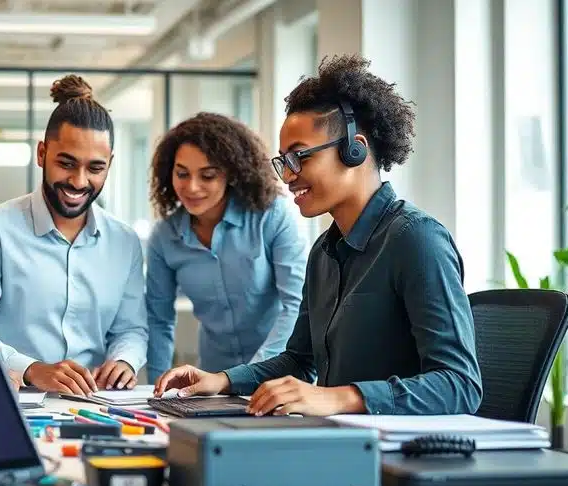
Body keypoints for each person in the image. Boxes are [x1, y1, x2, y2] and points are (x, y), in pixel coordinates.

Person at [153, 55, 482, 416]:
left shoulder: (416, 239)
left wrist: (339, 397)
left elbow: (459, 384)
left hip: (403, 456)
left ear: (354, 149)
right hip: (344, 443)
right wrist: (223, 380)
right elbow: (299, 359)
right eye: (283, 161)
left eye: (300, 157)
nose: (288, 175)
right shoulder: (325, 252)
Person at [0, 75, 147, 396]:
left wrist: (124, 361)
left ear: (109, 165)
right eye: (66, 163)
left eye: (95, 168)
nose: (78, 181)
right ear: (42, 153)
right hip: (12, 399)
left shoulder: (124, 242)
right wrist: (31, 370)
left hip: (94, 405)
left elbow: (132, 328)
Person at [144, 113, 307, 383]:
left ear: (230, 174)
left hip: (279, 377)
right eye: (182, 174)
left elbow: (296, 305)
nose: (192, 187)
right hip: (212, 380)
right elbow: (159, 321)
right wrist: (156, 389)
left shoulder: (272, 216)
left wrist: (248, 376)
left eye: (207, 175)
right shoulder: (164, 237)